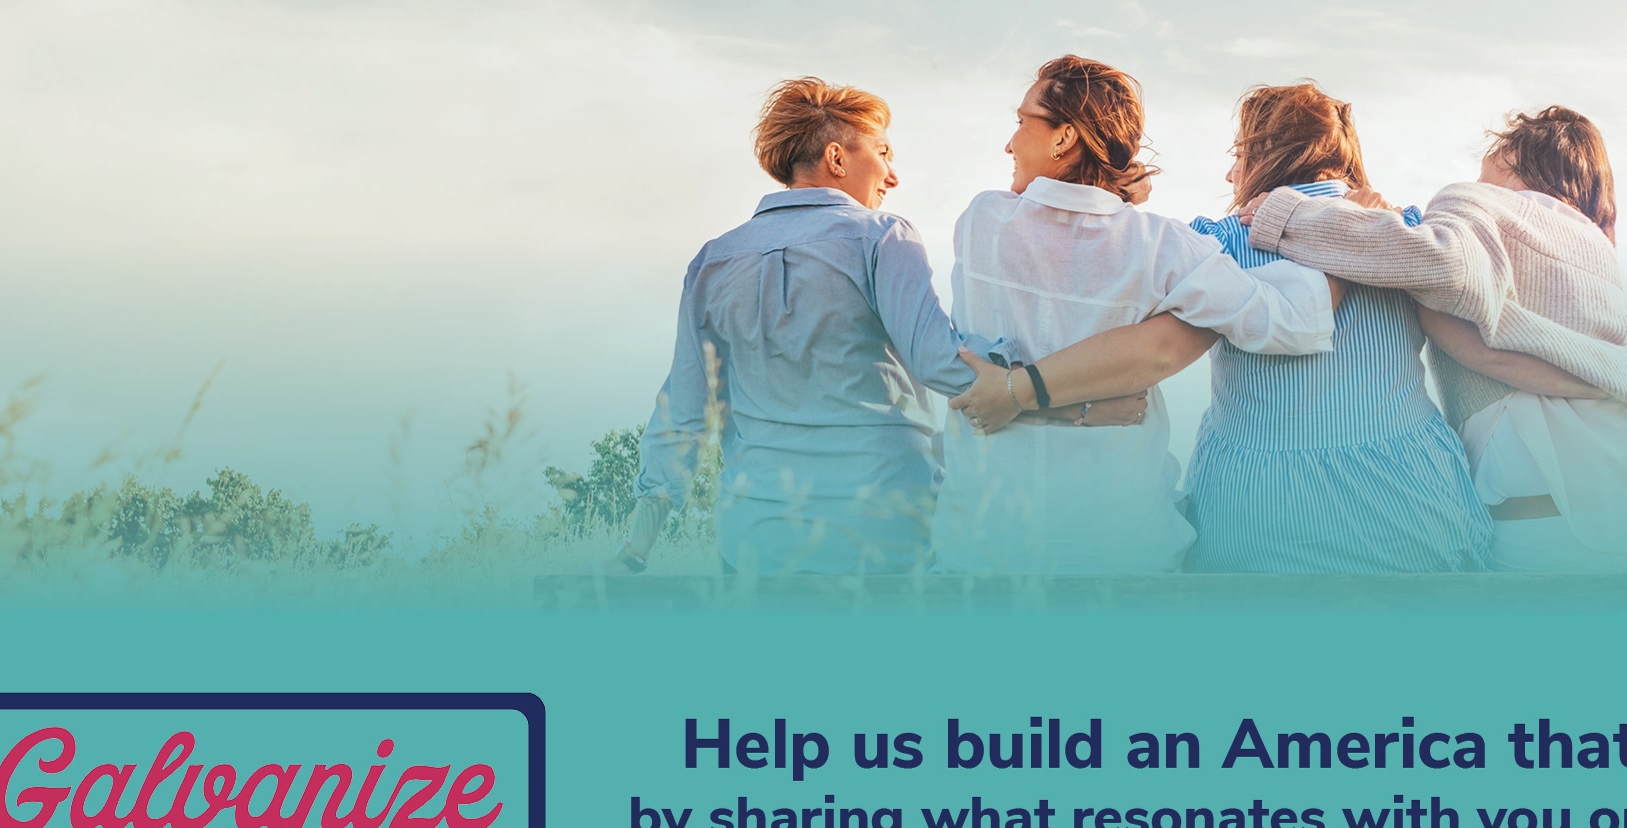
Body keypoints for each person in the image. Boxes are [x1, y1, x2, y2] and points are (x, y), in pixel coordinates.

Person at [613, 77, 1143, 575]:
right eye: (883, 153)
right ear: (837, 157)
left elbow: (682, 410)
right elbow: (943, 362)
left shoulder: (712, 261)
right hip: (883, 533)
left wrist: (636, 550)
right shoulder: (880, 236)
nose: (893, 175)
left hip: (756, 540)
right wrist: (1073, 401)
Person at [1238, 106, 1627, 573]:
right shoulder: (1596, 251)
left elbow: (1441, 261)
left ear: (1514, 164)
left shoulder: (1488, 204)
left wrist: (1289, 216)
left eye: (1487, 169)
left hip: (1563, 532)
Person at [931, 55, 1347, 573]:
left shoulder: (981, 222)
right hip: (1122, 549)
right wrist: (1353, 238)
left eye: (1021, 122)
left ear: (1064, 139)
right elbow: (1293, 322)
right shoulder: (1164, 248)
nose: (1010, 142)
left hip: (982, 548)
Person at [1177, 82, 1493, 572]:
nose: (1230, 173)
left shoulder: (1215, 244)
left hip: (1254, 511)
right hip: (1412, 503)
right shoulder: (1405, 231)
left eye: (1240, 154)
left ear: (1269, 154)